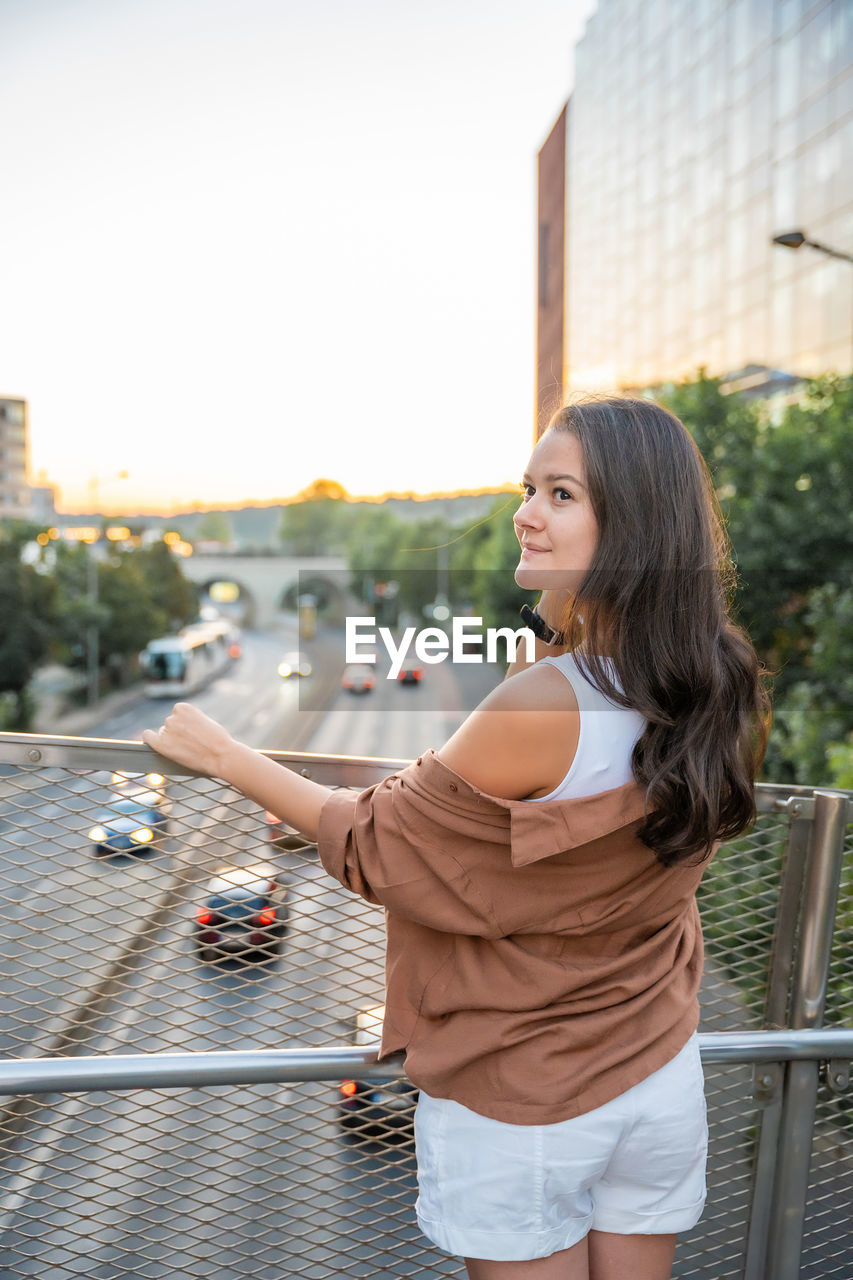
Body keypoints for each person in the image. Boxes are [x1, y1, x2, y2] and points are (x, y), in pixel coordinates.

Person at [142, 395, 770, 1280]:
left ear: (631, 524)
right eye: (528, 487)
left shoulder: (539, 705)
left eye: (561, 494)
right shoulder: (717, 682)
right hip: (656, 1071)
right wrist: (562, 628)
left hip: (528, 1103)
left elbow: (372, 842)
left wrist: (223, 753)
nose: (525, 513)